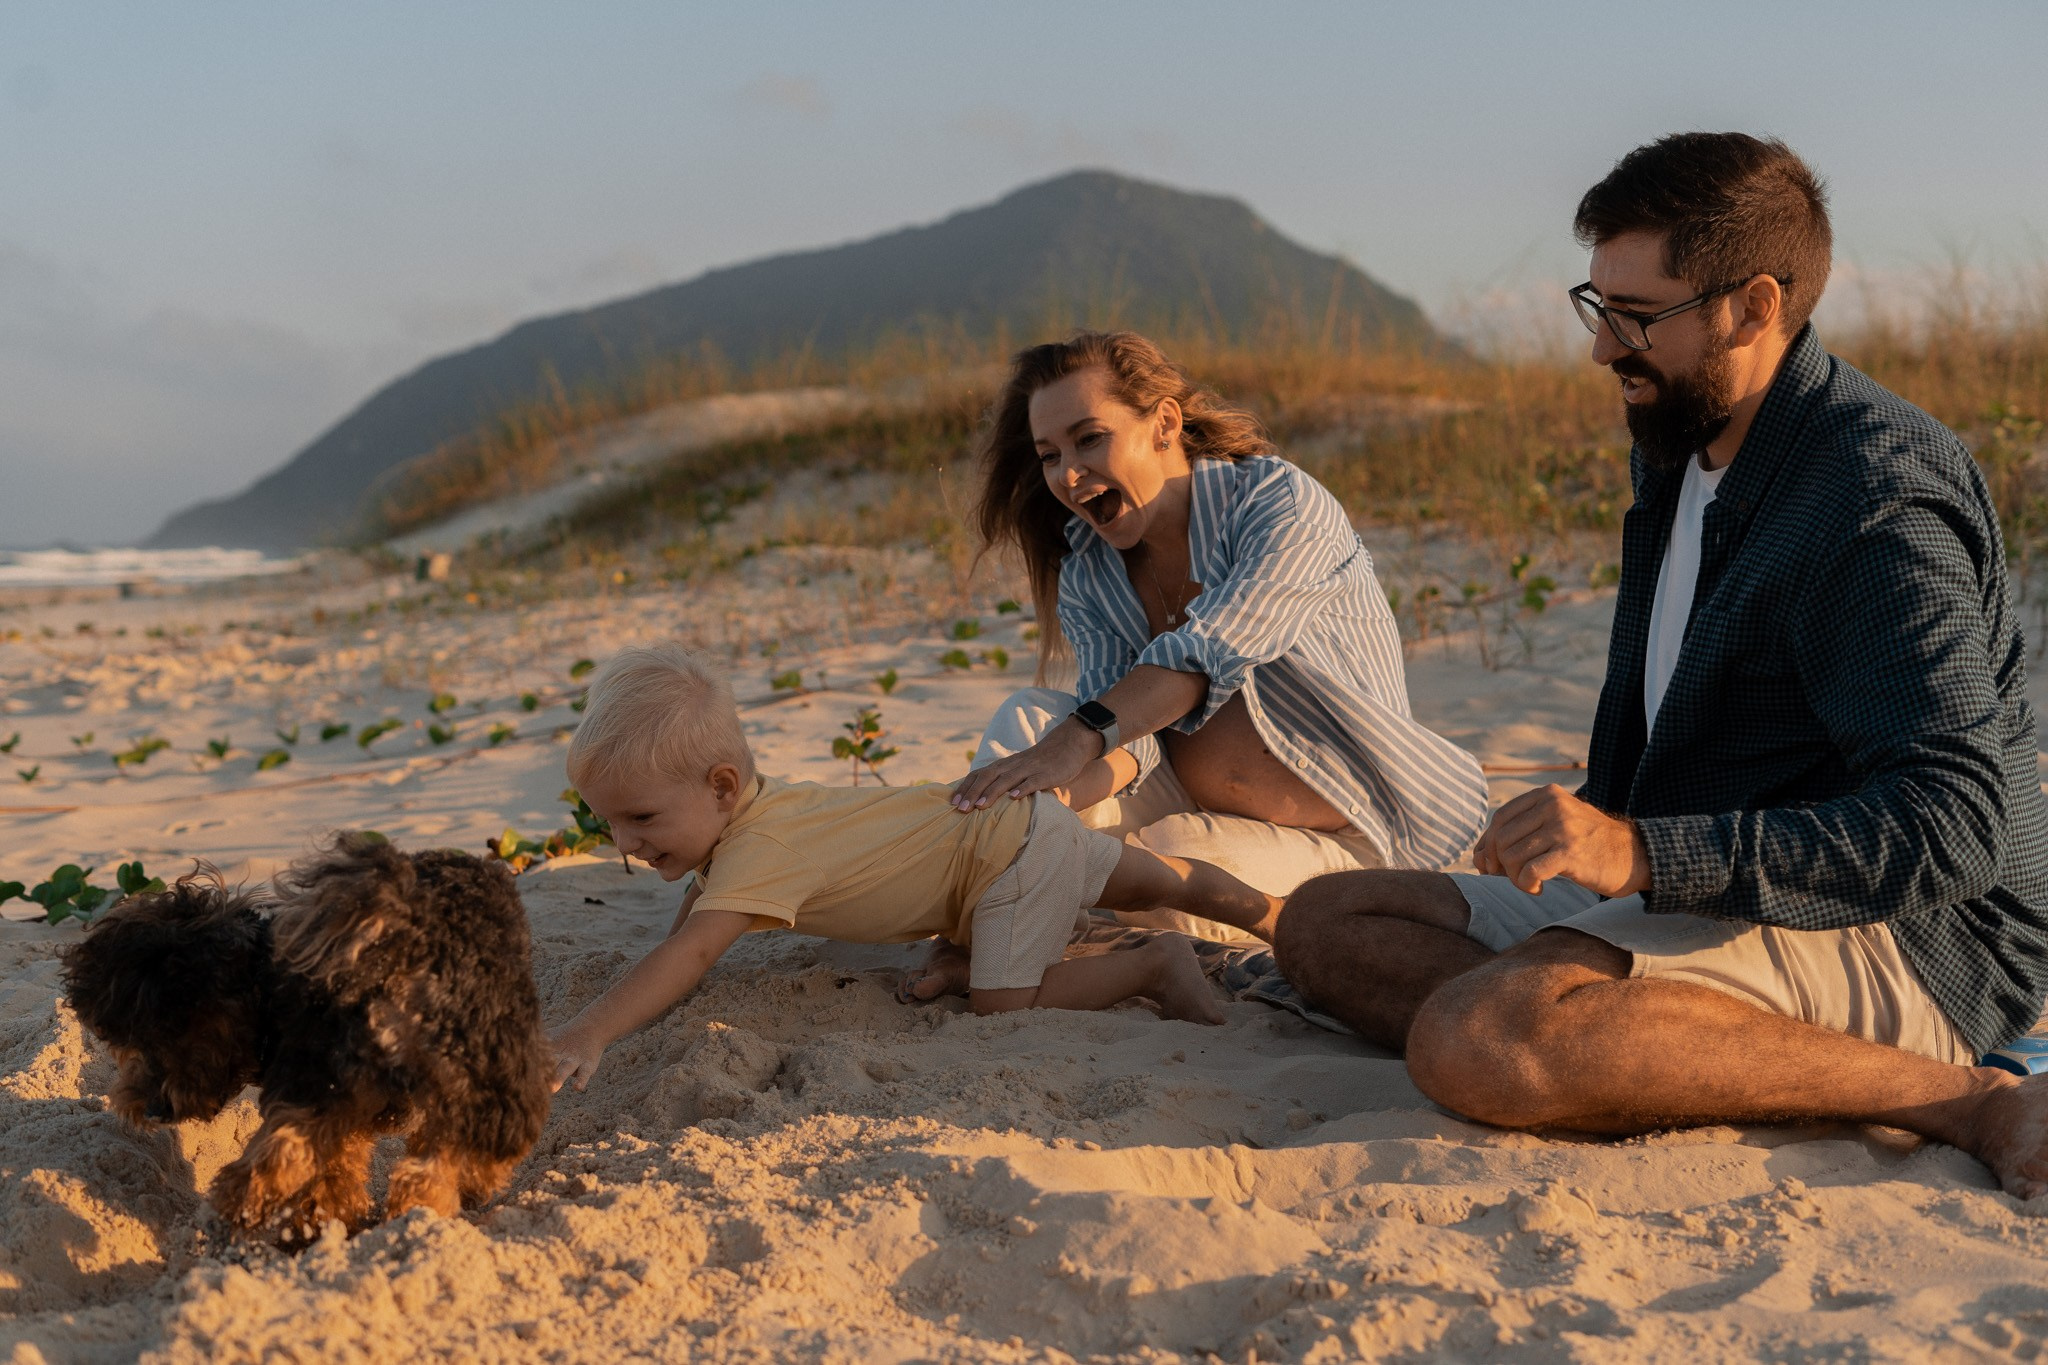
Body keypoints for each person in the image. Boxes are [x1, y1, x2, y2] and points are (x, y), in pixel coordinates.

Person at [1273, 132, 2048, 1197]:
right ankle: (1641, 1022)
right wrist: (1606, 840)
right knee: (1326, 924)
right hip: (1703, 877)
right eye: (1597, 307)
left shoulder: (1874, 499)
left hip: (1909, 936)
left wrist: (1641, 851)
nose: (1603, 349)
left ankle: (1964, 1099)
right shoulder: (1681, 441)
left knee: (1482, 1035)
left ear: (1753, 307)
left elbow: (1953, 826)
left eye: (1636, 316)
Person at [946, 331, 1487, 950]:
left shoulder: (1277, 503)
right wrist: (1055, 795)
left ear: (1164, 424)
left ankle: (1034, 914)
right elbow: (1128, 734)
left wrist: (1076, 742)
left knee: (1165, 859)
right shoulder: (1089, 569)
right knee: (1029, 723)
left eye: (1089, 438)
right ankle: (979, 925)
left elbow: (1207, 653)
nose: (1068, 474)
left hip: (1350, 838)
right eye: (1049, 455)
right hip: (1182, 800)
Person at [547, 644, 1288, 1092]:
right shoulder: (769, 811)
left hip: (1005, 864)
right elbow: (689, 934)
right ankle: (1270, 913)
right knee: (1153, 876)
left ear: (720, 787)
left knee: (1005, 1005)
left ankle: (1155, 964)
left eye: (642, 818)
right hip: (1007, 828)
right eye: (609, 820)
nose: (624, 842)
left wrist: (588, 1031)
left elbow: (692, 951)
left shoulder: (758, 852)